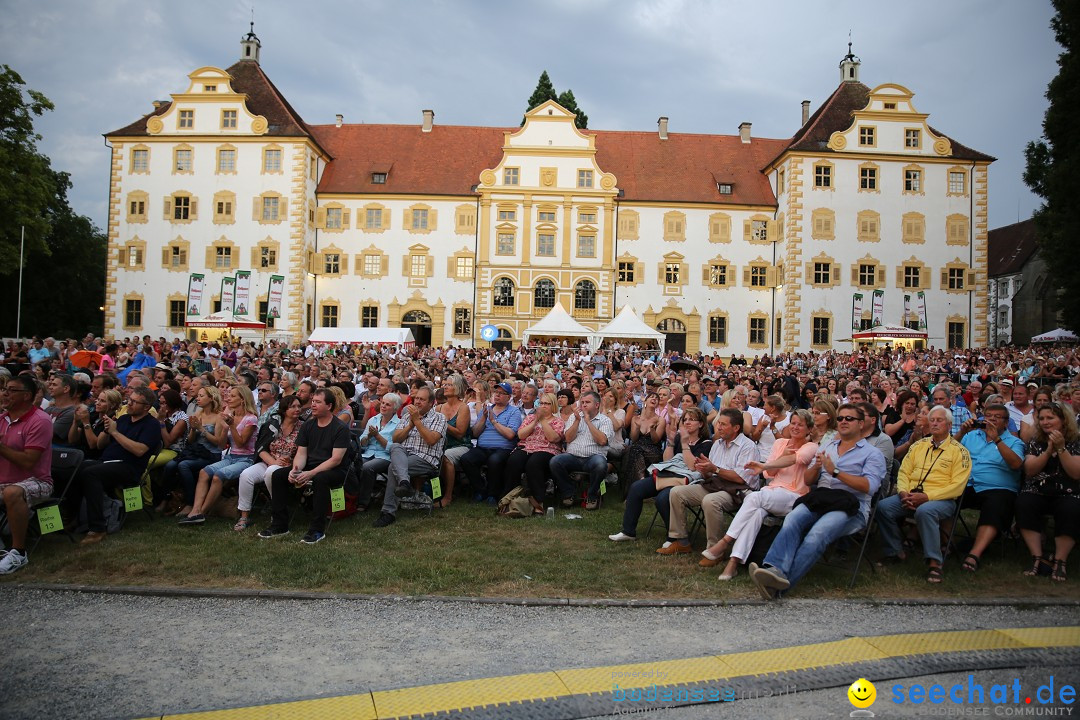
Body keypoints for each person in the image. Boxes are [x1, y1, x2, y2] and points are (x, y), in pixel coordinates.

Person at [749, 403, 886, 600]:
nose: (843, 422)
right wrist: (816, 468)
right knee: (792, 519)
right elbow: (808, 480)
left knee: (817, 533)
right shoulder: (828, 446)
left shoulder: (872, 454)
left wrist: (836, 472)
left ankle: (779, 585)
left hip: (850, 507)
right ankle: (774, 569)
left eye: (849, 418)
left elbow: (869, 487)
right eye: (840, 418)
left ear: (861, 424)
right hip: (822, 500)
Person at [702, 409, 818, 580]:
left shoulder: (811, 447)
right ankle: (733, 563)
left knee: (754, 497)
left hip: (794, 495)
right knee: (755, 513)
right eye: (793, 423)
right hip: (772, 491)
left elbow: (796, 460)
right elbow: (768, 475)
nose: (795, 427)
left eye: (800, 425)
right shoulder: (780, 444)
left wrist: (766, 466)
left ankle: (725, 542)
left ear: (809, 429)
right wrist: (771, 465)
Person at [876, 406, 971, 583]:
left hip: (941, 500)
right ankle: (895, 551)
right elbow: (904, 471)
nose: (934, 423)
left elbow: (957, 486)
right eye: (932, 419)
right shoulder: (918, 446)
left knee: (925, 511)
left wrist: (927, 497)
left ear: (949, 425)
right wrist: (903, 492)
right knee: (882, 507)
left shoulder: (960, 451)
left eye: (939, 420)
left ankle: (935, 562)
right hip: (911, 495)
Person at [657, 408, 756, 554]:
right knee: (676, 492)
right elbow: (712, 475)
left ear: (736, 428)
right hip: (715, 485)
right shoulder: (718, 444)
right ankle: (681, 541)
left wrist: (714, 469)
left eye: (723, 424)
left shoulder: (748, 446)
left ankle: (714, 549)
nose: (719, 427)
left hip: (737, 491)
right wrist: (705, 471)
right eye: (718, 423)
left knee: (710, 500)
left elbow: (741, 478)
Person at [259, 388, 352, 543]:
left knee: (320, 478)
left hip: (333, 470)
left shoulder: (340, 428)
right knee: (278, 475)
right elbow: (301, 453)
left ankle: (317, 530)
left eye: (318, 402)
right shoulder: (308, 426)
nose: (313, 405)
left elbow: (336, 459)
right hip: (310, 466)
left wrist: (311, 473)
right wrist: (296, 469)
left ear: (329, 406)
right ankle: (280, 524)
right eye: (313, 401)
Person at [78, 386, 162, 545]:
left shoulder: (151, 425)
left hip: (129, 467)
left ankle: (98, 528)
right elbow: (99, 446)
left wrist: (116, 433)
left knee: (91, 473)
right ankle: (77, 518)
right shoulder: (123, 419)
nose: (129, 404)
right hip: (106, 461)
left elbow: (139, 451)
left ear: (146, 407)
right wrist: (107, 430)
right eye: (129, 400)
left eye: (134, 402)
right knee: (78, 468)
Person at [955, 403, 1024, 572]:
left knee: (996, 504)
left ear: (1006, 423)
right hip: (968, 484)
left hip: (998, 487)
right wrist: (962, 432)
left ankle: (975, 554)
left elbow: (1016, 464)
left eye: (997, 417)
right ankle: (946, 545)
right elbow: (948, 451)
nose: (991, 419)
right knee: (946, 499)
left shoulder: (1015, 442)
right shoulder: (971, 436)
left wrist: (997, 439)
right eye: (988, 416)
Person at [1017, 402, 1080, 582]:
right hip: (1038, 488)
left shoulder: (1076, 441)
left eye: (1050, 418)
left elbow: (1075, 473)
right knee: (1024, 502)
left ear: (1063, 420)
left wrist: (1061, 448)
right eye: (1042, 418)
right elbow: (1029, 470)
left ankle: (1061, 559)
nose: (1045, 422)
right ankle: (1037, 557)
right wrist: (1048, 451)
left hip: (1068, 490)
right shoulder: (1036, 442)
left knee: (1071, 508)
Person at [179, 385, 259, 525]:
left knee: (218, 476)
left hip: (246, 459)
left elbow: (241, 443)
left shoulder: (250, 419)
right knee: (203, 473)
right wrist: (223, 427)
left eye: (233, 396)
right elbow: (222, 445)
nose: (228, 398)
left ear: (242, 400)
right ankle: (195, 510)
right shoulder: (230, 416)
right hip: (231, 457)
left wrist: (231, 425)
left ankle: (201, 513)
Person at [0, 376, 54, 574]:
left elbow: (28, 461)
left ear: (27, 395)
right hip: (3, 481)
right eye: (5, 389)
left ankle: (18, 553)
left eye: (11, 390)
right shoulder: (2, 418)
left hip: (36, 481)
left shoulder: (39, 420)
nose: (5, 393)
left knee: (13, 493)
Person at [373, 386, 446, 528]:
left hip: (425, 457)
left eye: (422, 399)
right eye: (416, 398)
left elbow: (431, 440)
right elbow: (396, 439)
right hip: (403, 455)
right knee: (395, 447)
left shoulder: (439, 418)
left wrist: (417, 422)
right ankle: (405, 484)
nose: (417, 402)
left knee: (393, 467)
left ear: (431, 403)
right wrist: (410, 424)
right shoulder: (407, 416)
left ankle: (388, 512)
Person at [235, 394, 303, 531]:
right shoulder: (272, 424)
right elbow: (260, 448)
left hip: (290, 465)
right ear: (284, 410)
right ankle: (244, 516)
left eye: (299, 406)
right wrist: (273, 461)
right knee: (246, 475)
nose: (297, 409)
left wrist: (284, 463)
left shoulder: (303, 427)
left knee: (272, 473)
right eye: (293, 407)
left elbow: (302, 452)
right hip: (269, 461)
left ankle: (278, 512)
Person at [549, 391, 614, 510]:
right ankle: (569, 492)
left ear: (596, 405)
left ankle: (592, 494)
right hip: (573, 456)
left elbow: (602, 441)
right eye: (582, 402)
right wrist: (578, 421)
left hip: (593, 457)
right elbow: (568, 438)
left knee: (600, 464)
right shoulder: (574, 417)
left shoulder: (605, 420)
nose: (583, 405)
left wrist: (588, 421)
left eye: (587, 402)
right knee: (555, 461)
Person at [461, 382, 522, 503]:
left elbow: (510, 435)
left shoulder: (514, 411)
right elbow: (476, 433)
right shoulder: (487, 409)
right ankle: (480, 489)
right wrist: (483, 418)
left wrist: (493, 421)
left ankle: (493, 494)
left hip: (503, 449)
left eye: (501, 393)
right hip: (483, 447)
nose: (497, 395)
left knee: (494, 460)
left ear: (509, 397)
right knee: (466, 459)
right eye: (496, 392)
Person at [503, 392, 564, 514]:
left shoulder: (558, 421)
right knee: (514, 461)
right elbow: (521, 435)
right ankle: (509, 499)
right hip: (526, 447)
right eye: (541, 403)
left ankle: (538, 502)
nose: (543, 406)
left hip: (547, 449)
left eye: (547, 403)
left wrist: (543, 420)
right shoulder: (530, 418)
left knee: (534, 463)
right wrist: (536, 420)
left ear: (553, 406)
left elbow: (552, 438)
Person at [356, 393, 403, 512]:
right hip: (368, 453)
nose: (383, 406)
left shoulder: (399, 424)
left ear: (395, 408)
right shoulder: (373, 419)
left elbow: (394, 448)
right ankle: (351, 498)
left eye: (388, 405)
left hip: (385, 456)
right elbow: (362, 443)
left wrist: (377, 436)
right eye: (383, 403)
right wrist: (368, 437)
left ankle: (363, 503)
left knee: (367, 467)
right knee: (352, 465)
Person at [436, 374, 471, 507]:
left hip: (460, 445)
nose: (445, 387)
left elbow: (460, 434)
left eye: (449, 385)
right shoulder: (438, 408)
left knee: (446, 457)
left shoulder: (463, 408)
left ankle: (448, 496)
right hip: (442, 444)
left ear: (457, 388)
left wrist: (443, 423)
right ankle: (431, 493)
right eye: (445, 384)